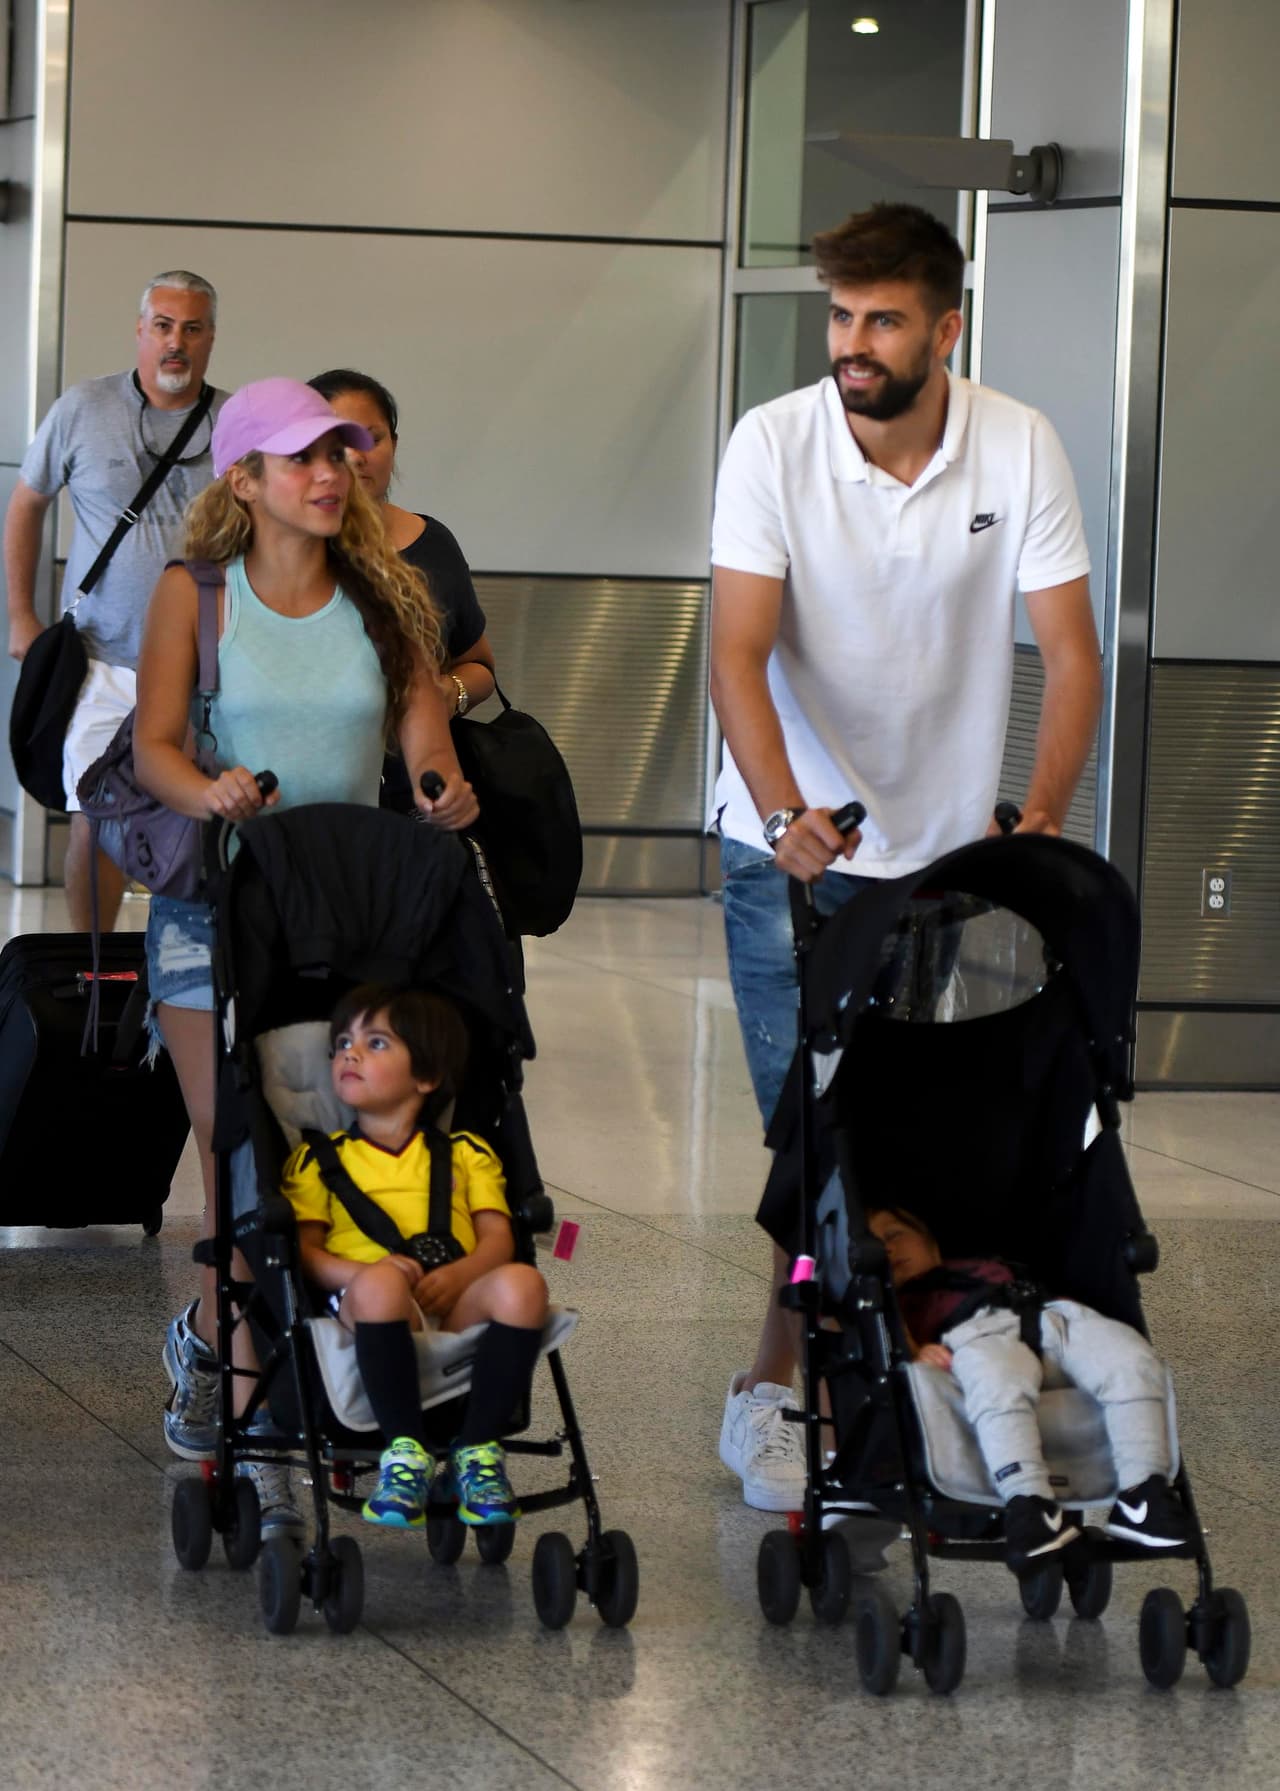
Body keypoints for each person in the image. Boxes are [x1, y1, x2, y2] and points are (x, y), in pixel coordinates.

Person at [711, 203, 1103, 1513]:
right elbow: (737, 652)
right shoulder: (772, 441)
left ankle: (856, 1380)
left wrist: (1037, 816)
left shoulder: (1018, 442)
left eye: (881, 320)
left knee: (893, 1139)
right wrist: (784, 810)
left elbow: (1071, 654)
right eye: (840, 316)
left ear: (945, 330)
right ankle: (789, 1394)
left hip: (939, 863)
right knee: (809, 1136)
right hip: (783, 855)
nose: (852, 343)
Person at [133, 376, 477, 1530]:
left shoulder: (383, 594)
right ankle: (241, 1391)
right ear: (243, 480)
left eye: (339, 454)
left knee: (338, 1156)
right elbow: (156, 745)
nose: (331, 475)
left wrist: (439, 791)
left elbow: (423, 734)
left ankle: (294, 1368)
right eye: (302, 459)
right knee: (239, 1156)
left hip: (352, 920)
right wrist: (210, 791)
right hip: (215, 912)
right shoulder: (197, 596)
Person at [5, 271, 226, 931]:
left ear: (211, 338)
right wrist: (22, 615)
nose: (175, 342)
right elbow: (27, 505)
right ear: (140, 331)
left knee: (196, 820)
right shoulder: (83, 408)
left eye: (192, 328)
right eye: (163, 325)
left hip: (205, 665)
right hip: (100, 657)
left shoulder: (234, 422)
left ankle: (182, 966)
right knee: (93, 816)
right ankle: (92, 968)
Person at [282, 983, 549, 1527]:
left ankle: (478, 1450)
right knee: (382, 1285)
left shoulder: (467, 1153)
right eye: (342, 1043)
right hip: (367, 1303)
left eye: (375, 1043)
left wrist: (463, 1274)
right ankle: (406, 1452)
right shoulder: (318, 1160)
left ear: (426, 1076)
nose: (350, 1053)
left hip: (455, 1299)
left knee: (524, 1283)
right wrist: (370, 1273)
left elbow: (497, 1240)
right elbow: (306, 1254)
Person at [867, 1206, 1194, 1571]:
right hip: (975, 1334)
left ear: (931, 1243)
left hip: (1055, 1315)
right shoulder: (898, 1299)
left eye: (894, 1235)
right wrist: (916, 1352)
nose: (888, 1249)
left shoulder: (982, 1264)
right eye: (877, 1246)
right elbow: (894, 1339)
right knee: (996, 1382)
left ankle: (1141, 1492)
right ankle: (1029, 1501)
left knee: (1130, 1359)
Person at [306, 368, 495, 814]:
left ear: (394, 444)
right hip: (305, 797)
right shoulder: (284, 553)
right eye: (339, 441)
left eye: (372, 438)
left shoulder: (431, 544)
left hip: (414, 801)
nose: (357, 457)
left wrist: (450, 694)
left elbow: (479, 665)